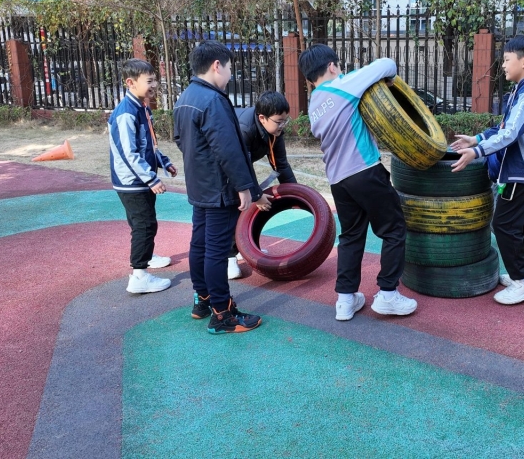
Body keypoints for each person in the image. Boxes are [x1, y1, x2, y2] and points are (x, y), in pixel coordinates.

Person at [299, 44, 417, 321]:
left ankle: (345, 299)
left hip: (338, 181)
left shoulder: (314, 105)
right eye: (338, 66)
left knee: (351, 236)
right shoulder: (343, 85)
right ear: (332, 66)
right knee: (394, 230)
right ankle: (388, 294)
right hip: (365, 171)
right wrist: (383, 79)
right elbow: (387, 64)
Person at [173, 41, 273, 334]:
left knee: (199, 244)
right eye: (230, 68)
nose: (230, 74)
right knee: (216, 251)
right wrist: (244, 186)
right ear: (217, 65)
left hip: (199, 185)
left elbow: (179, 139)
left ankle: (202, 300)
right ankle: (222, 314)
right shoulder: (213, 100)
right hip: (219, 188)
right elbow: (228, 149)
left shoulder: (186, 96)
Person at [451, 35, 524, 306]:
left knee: (504, 224)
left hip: (522, 171)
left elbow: (510, 134)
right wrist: (477, 139)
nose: (503, 65)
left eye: (507, 60)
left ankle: (522, 281)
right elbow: (503, 127)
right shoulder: (523, 89)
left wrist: (477, 152)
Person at [108, 59, 177, 294]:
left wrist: (163, 161)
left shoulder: (142, 107)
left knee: (142, 223)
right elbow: (129, 153)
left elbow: (148, 144)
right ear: (131, 82)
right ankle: (139, 276)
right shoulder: (126, 113)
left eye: (154, 80)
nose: (154, 85)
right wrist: (151, 179)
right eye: (149, 81)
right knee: (145, 224)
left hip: (140, 179)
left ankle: (146, 255)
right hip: (132, 181)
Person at [228, 91, 297, 279]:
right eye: (279, 121)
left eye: (285, 121)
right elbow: (240, 164)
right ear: (262, 118)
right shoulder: (245, 129)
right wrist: (256, 195)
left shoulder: (275, 131)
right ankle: (228, 257)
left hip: (239, 162)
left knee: (246, 202)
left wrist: (297, 194)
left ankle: (241, 247)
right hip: (220, 164)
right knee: (234, 204)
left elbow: (281, 164)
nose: (282, 125)